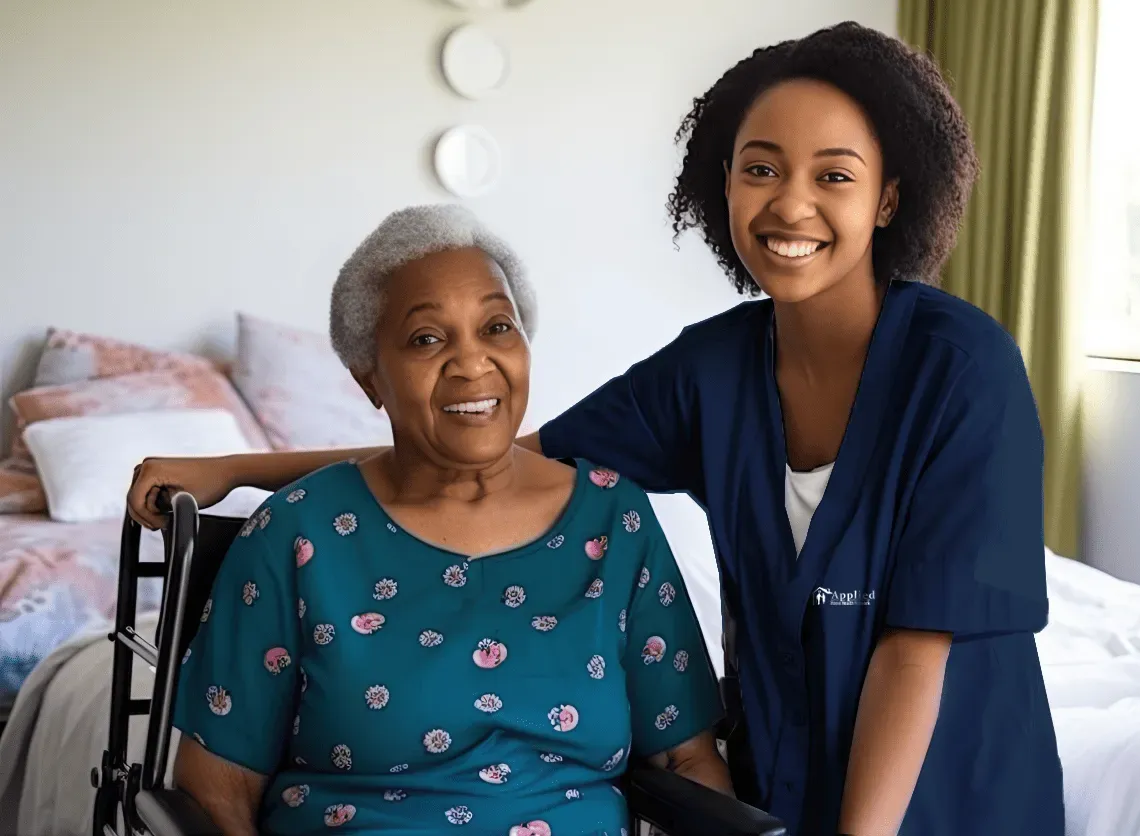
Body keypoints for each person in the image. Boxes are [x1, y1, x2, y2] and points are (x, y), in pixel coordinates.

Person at [131, 22, 1064, 836]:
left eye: (835, 176)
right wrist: (239, 469)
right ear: (722, 183)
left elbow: (914, 645)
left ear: (890, 199)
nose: (790, 204)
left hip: (947, 788)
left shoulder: (960, 367)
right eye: (760, 168)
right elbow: (487, 447)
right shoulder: (714, 369)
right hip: (790, 783)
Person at [164, 205, 731, 835]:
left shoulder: (613, 517)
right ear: (369, 379)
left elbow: (687, 759)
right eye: (427, 339)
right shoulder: (297, 535)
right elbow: (218, 789)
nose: (471, 363)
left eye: (497, 327)